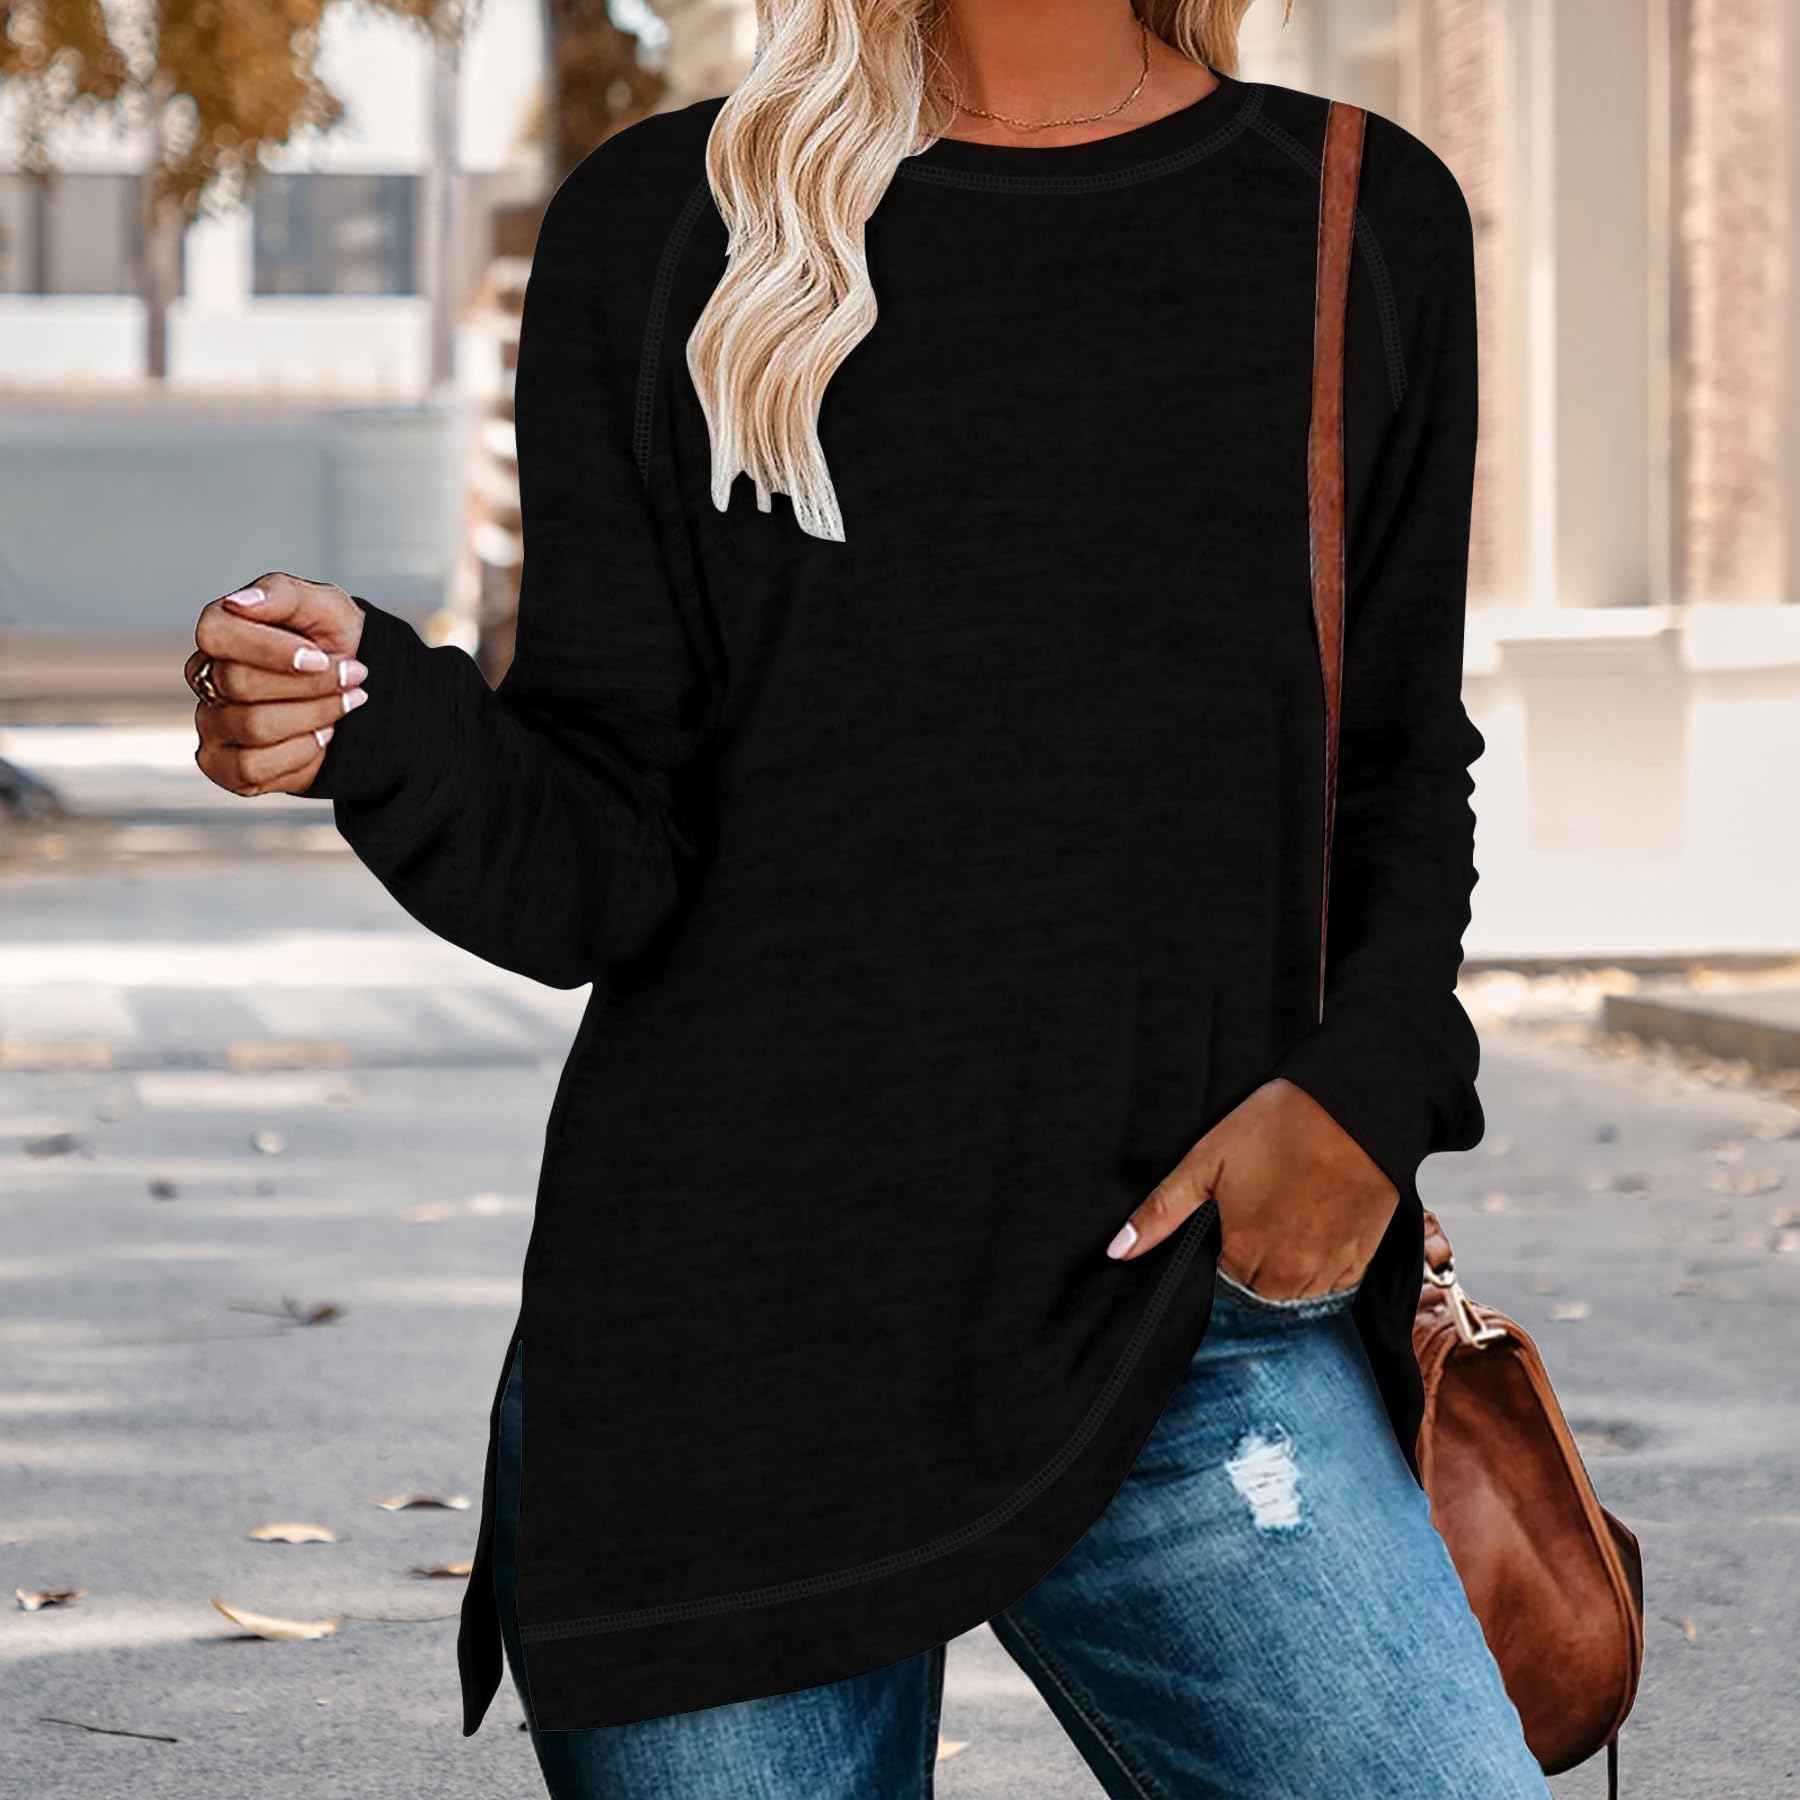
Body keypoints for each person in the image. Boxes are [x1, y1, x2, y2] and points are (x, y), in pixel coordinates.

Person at [186, 2, 1550, 1793]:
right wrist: (374, 720)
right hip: (731, 1357)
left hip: (1185, 1324)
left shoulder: (1352, 211)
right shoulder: (669, 225)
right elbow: (606, 856)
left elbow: (1395, 756)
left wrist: (1365, 1101)